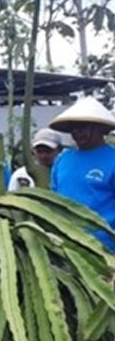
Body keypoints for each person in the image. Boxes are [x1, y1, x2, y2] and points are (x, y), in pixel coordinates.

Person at [49, 96, 115, 251]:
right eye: (74, 128)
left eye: (83, 127)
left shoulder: (112, 160)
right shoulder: (62, 159)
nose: (77, 133)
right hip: (66, 246)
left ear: (100, 128)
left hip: (104, 249)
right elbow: (54, 198)